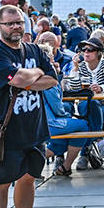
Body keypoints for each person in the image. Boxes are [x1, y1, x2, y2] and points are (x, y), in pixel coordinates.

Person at [0, 5, 57, 208]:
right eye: (10, 23)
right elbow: (21, 78)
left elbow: (53, 79)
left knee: (28, 179)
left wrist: (24, 78)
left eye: (20, 22)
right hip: (4, 132)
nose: (16, 27)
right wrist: (32, 74)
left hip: (34, 129)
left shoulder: (34, 49)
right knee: (0, 183)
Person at [65, 37, 104, 169]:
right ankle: (99, 140)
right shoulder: (81, 66)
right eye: (84, 49)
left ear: (99, 52)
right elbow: (74, 88)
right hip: (86, 105)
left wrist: (102, 88)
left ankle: (84, 155)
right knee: (91, 106)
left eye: (90, 49)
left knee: (88, 120)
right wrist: (75, 69)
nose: (86, 52)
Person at [38, 44, 89, 178]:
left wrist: (58, 74)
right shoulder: (47, 79)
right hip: (48, 124)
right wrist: (69, 116)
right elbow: (58, 107)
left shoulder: (34, 76)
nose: (54, 62)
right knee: (83, 126)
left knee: (61, 144)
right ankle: (65, 167)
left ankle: (30, 164)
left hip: (36, 124)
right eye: (51, 59)